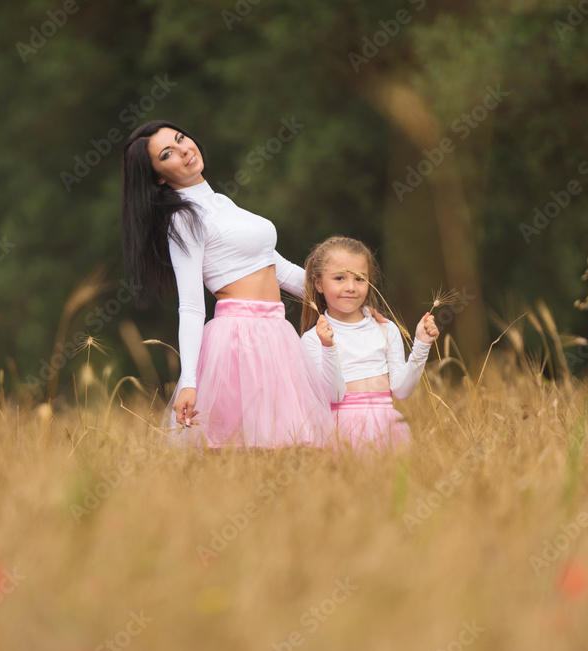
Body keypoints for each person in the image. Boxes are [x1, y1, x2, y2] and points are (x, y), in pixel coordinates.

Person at [120, 120, 346, 448]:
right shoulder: (183, 219)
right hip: (239, 340)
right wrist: (190, 380)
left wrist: (342, 288)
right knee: (241, 448)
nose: (184, 149)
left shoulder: (222, 204)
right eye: (168, 153)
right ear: (158, 176)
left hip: (277, 334)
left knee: (292, 446)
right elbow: (192, 307)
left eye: (181, 139)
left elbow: (277, 270)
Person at [299, 236, 439, 454]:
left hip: (389, 431)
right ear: (318, 283)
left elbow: (401, 390)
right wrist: (328, 346)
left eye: (360, 279)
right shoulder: (312, 339)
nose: (351, 287)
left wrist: (421, 345)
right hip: (340, 434)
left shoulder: (385, 328)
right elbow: (334, 394)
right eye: (339, 278)